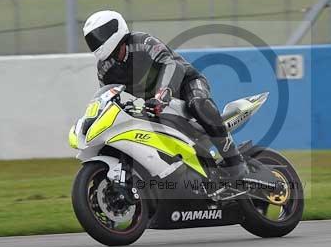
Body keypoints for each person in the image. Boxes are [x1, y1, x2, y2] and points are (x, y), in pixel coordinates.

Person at [83, 10, 247, 179]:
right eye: (92, 39)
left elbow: (172, 64)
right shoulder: (104, 68)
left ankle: (235, 161)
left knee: (198, 104)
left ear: (115, 29)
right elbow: (107, 95)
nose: (97, 42)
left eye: (99, 35)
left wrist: (162, 96)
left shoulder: (142, 41)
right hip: (154, 102)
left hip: (186, 84)